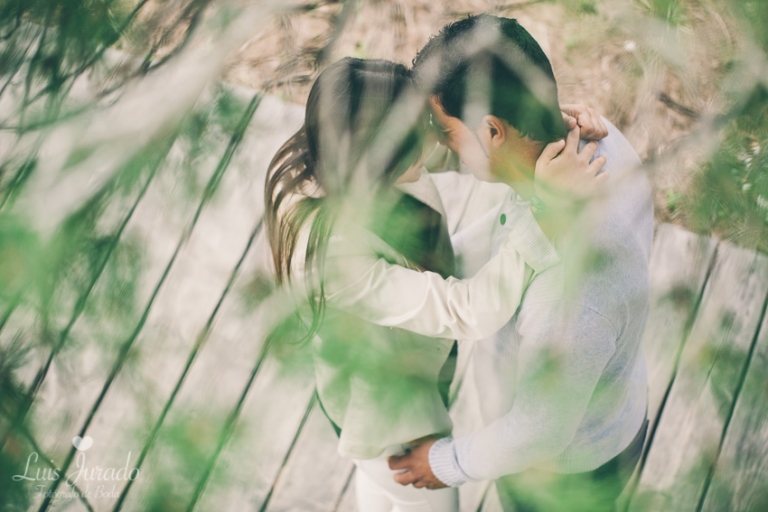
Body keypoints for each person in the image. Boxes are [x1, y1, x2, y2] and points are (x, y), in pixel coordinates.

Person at [262, 57, 606, 512]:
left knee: (380, 492)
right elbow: (468, 311)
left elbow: (453, 147)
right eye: (417, 137)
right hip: (390, 425)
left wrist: (532, 132)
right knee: (411, 493)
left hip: (389, 367)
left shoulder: (334, 147)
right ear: (379, 160)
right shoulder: (332, 253)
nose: (432, 139)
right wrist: (543, 213)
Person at [388, 14, 653, 512]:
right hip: (610, 401)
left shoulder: (573, 292)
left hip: (565, 473)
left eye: (443, 131)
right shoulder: (600, 142)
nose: (440, 142)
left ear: (491, 131)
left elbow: (539, 431)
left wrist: (445, 463)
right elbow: (499, 210)